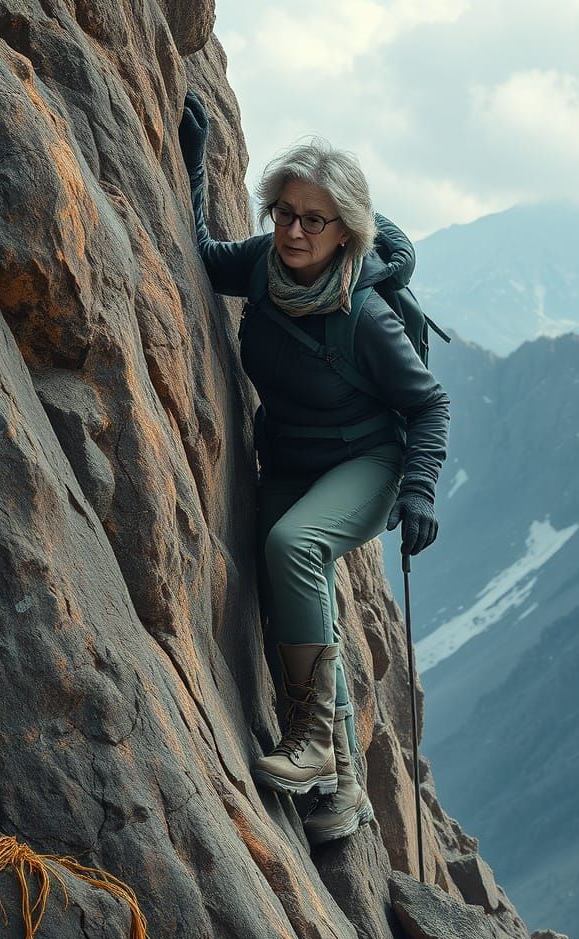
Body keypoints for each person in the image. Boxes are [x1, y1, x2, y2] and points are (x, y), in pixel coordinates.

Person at [178, 92, 449, 844]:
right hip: (294, 458)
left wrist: (420, 491)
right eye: (285, 214)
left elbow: (429, 405)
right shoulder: (264, 265)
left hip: (368, 461)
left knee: (293, 547)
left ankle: (311, 747)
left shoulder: (365, 315)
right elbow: (201, 254)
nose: (294, 231)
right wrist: (193, 166)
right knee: (294, 603)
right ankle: (341, 795)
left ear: (345, 232)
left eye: (314, 220)